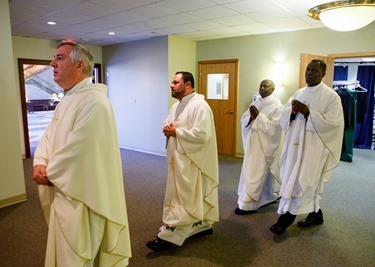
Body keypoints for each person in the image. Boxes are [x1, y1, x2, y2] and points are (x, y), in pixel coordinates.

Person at [32, 41, 132, 266]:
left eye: (59, 58)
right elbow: (49, 137)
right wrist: (40, 161)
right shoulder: (67, 99)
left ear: (79, 65)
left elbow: (81, 150)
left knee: (77, 252)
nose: (52, 63)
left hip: (82, 193)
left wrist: (50, 171)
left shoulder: (94, 101)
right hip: (64, 186)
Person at [269, 59, 344, 235]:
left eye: (314, 71)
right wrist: (293, 113)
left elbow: (335, 123)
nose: (309, 73)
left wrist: (309, 113)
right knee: (303, 181)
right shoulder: (299, 92)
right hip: (295, 145)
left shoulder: (331, 96)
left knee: (304, 181)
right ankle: (316, 214)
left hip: (314, 148)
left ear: (323, 75)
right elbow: (284, 115)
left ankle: (284, 221)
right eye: (308, 70)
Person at [146, 71, 219, 251]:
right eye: (172, 82)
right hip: (177, 161)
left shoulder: (200, 106)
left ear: (188, 84)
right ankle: (200, 224)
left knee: (185, 197)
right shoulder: (176, 106)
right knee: (179, 195)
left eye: (175, 82)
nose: (171, 85)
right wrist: (168, 128)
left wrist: (176, 132)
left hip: (191, 162)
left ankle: (171, 233)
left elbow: (202, 135)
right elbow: (172, 123)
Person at [235, 79, 283, 215]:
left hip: (265, 145)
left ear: (273, 89)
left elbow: (275, 128)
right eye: (261, 86)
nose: (262, 88)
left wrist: (258, 117)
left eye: (266, 86)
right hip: (253, 143)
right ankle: (268, 195)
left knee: (256, 172)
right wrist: (250, 118)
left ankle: (249, 203)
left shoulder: (277, 106)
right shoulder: (256, 102)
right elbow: (244, 120)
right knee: (251, 170)